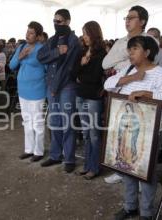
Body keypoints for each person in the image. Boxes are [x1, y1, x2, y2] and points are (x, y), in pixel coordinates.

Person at [104, 35, 162, 220]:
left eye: (134, 49)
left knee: (146, 174)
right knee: (127, 168)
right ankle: (130, 207)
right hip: (125, 128)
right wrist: (130, 78)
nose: (130, 52)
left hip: (149, 132)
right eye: (130, 49)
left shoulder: (159, 73)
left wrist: (146, 93)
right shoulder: (128, 69)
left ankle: (146, 213)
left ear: (147, 52)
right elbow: (107, 85)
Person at [102, 5, 149, 184]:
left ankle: (137, 175)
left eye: (132, 17)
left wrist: (121, 64)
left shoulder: (149, 40)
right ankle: (121, 171)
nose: (127, 21)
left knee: (137, 135)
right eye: (126, 18)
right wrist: (127, 55)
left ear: (142, 21)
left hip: (141, 93)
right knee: (120, 133)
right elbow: (105, 64)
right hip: (120, 93)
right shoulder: (121, 42)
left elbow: (146, 66)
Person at [37, 9, 81, 173]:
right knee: (55, 122)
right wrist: (57, 52)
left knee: (67, 123)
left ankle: (69, 158)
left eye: (59, 21)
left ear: (68, 21)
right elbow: (40, 56)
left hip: (66, 87)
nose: (56, 24)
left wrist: (55, 87)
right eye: (54, 21)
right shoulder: (52, 40)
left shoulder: (74, 40)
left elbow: (67, 68)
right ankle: (56, 155)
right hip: (52, 86)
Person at [10, 21, 46, 162]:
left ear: (38, 36)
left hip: (37, 90)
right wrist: (21, 56)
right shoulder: (22, 47)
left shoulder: (42, 49)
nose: (28, 35)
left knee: (37, 121)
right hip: (23, 90)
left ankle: (39, 151)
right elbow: (12, 65)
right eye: (27, 32)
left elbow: (48, 70)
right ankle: (28, 149)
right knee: (26, 121)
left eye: (31, 33)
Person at [74, 21, 106, 180]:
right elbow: (73, 73)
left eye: (86, 33)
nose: (84, 37)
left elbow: (94, 78)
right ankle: (87, 165)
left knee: (94, 134)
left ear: (94, 34)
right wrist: (81, 64)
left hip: (93, 98)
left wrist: (81, 75)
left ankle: (95, 167)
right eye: (83, 33)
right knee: (85, 133)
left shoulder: (102, 53)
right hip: (80, 95)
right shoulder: (82, 51)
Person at [116, 103, 140, 167]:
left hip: (130, 132)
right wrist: (123, 128)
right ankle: (123, 158)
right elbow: (121, 124)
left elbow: (137, 125)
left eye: (128, 107)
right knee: (123, 144)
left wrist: (132, 128)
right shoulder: (124, 115)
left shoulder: (134, 115)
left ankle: (130, 159)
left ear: (131, 107)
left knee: (129, 144)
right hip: (125, 132)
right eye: (126, 107)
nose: (127, 108)